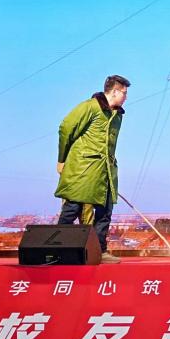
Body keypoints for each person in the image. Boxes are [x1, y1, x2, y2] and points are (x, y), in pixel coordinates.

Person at [55, 75, 130, 264]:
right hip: (84, 168)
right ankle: (56, 249)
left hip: (105, 170)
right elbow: (66, 128)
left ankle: (99, 251)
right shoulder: (90, 107)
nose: (126, 97)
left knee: (105, 211)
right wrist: (62, 159)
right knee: (73, 207)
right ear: (114, 91)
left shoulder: (117, 115)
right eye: (124, 92)